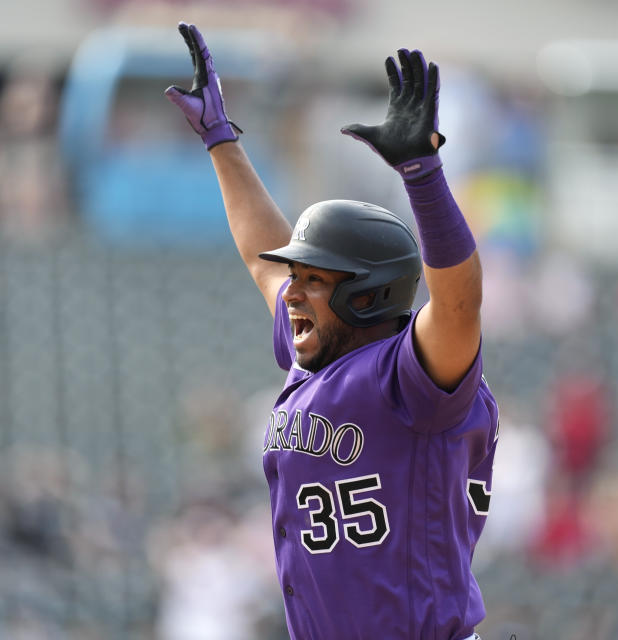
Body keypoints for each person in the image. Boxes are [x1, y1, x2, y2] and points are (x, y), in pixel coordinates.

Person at [164, 22, 499, 640]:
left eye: (315, 279)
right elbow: (263, 255)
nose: (292, 290)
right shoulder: (312, 352)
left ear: (367, 294)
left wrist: (422, 175)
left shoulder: (414, 377)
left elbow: (457, 305)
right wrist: (220, 139)